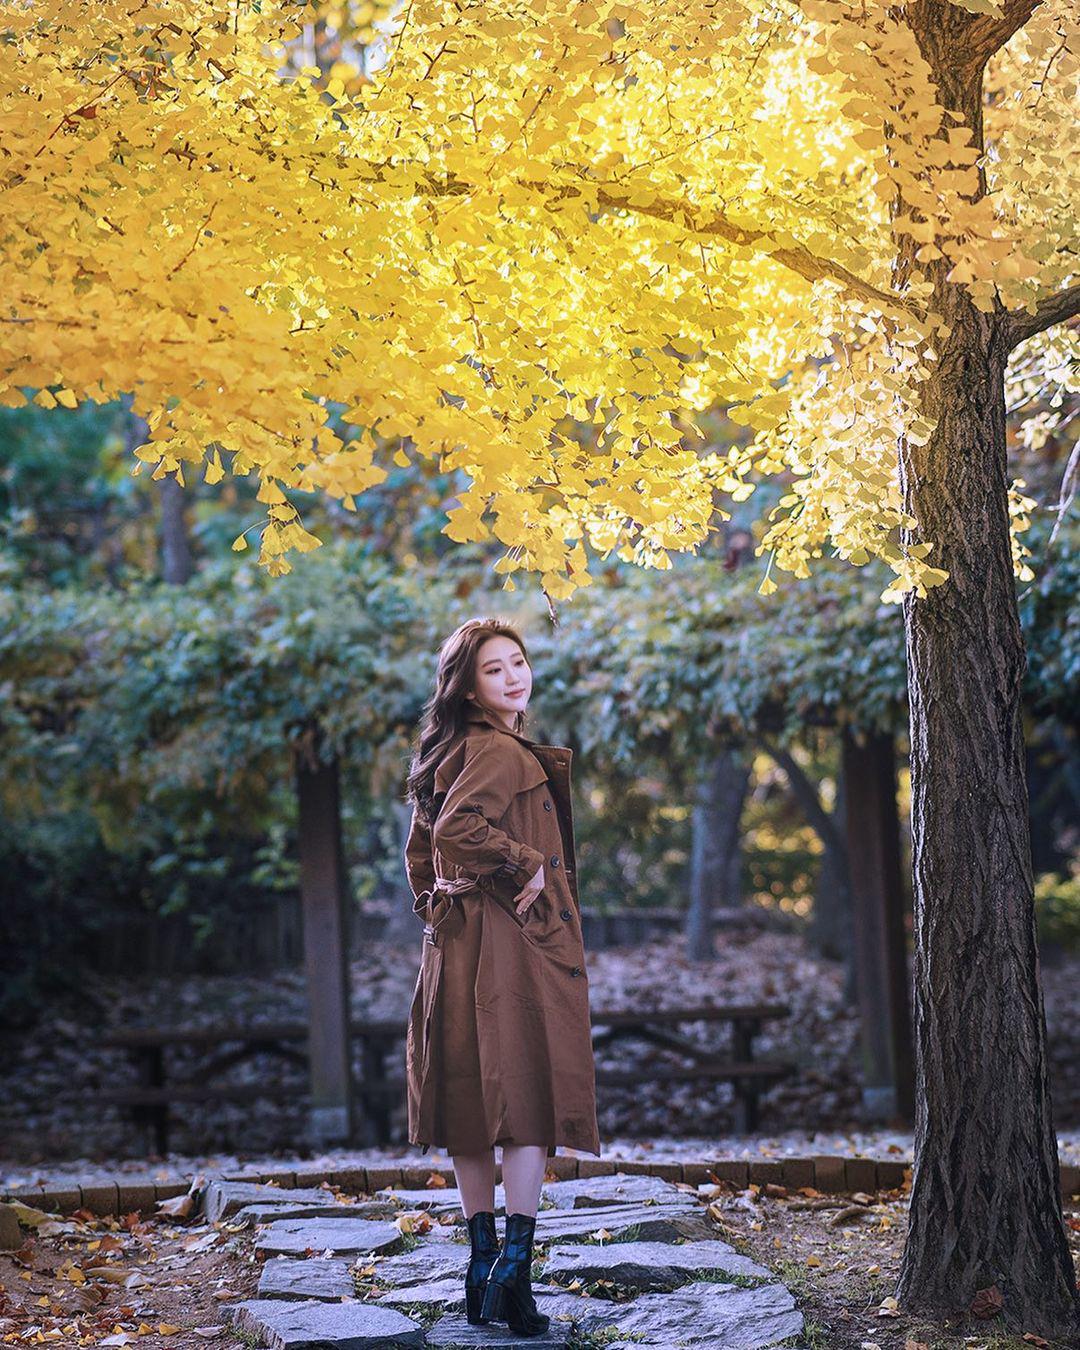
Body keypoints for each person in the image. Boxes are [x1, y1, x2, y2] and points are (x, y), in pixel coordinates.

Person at [403, 617, 601, 1336]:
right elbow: (456, 832)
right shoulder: (497, 751)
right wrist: (530, 862)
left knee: (466, 1100)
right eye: (495, 669)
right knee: (524, 1096)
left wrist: (437, 905)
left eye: (518, 662)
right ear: (468, 685)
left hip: (455, 945)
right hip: (504, 944)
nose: (514, 676)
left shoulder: (453, 748)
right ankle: (512, 1276)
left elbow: (421, 850)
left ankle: (483, 1266)